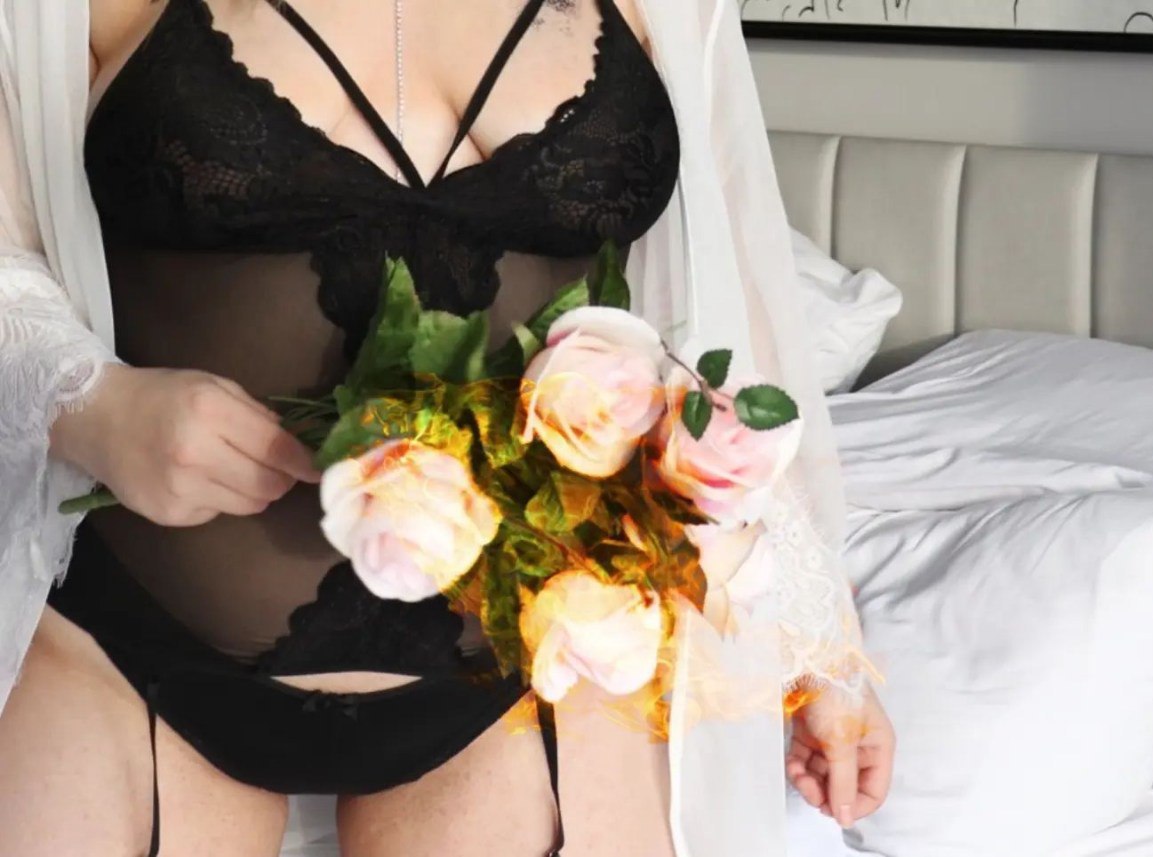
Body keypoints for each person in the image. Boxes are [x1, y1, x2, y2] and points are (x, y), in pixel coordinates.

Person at [0, 1, 895, 855]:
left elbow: (734, 306)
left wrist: (822, 647)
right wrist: (92, 404)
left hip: (537, 662)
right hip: (133, 641)